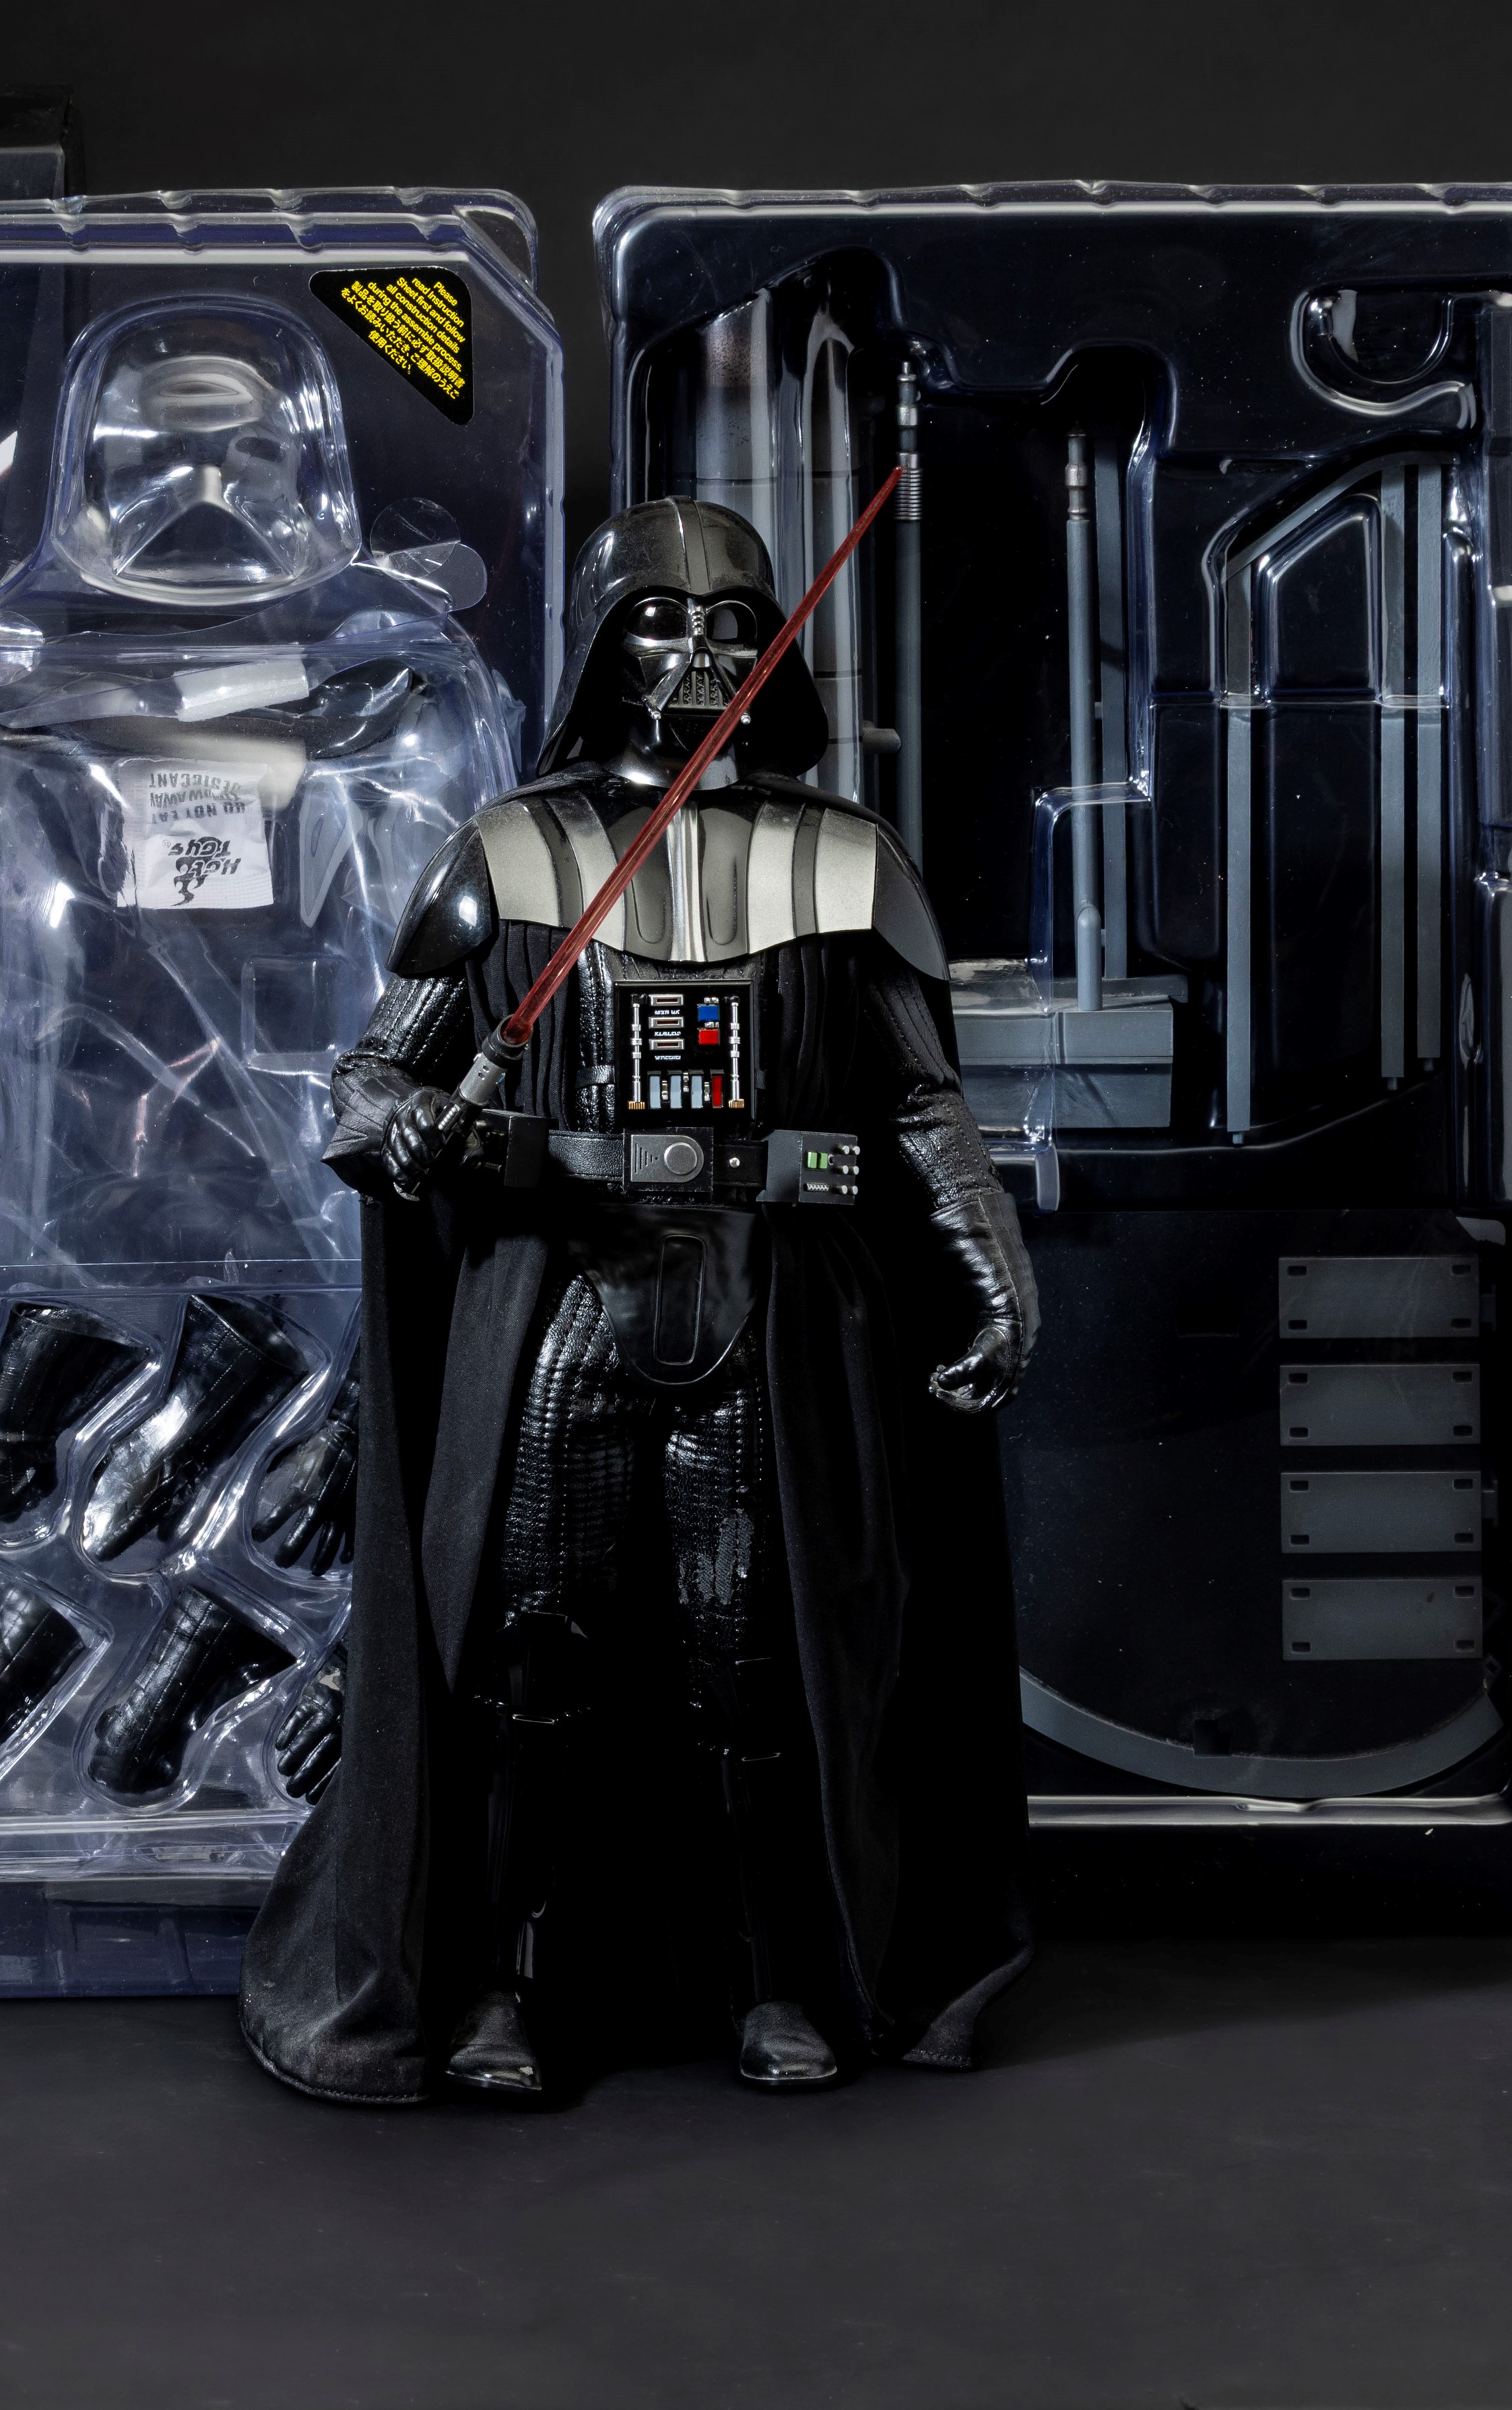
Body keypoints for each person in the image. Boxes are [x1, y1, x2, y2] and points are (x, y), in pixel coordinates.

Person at [239, 496, 1039, 2101]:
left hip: (770, 1302)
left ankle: (776, 1978)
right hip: (572, 1303)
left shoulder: (842, 858)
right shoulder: (511, 851)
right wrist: (405, 1127)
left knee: (754, 1658)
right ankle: (503, 1984)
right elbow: (369, 1080)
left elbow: (917, 1099)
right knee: (531, 1654)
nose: (698, 652)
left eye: (732, 625)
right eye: (659, 622)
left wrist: (992, 1267)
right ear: (601, 647)